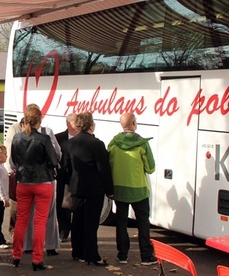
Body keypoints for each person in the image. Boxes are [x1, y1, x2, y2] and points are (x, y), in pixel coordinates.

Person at [10, 105, 58, 271]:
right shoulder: (44, 139)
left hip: (23, 182)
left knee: (21, 220)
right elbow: (53, 160)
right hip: (43, 182)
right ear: (40, 118)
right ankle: (37, 260)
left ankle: (16, 255)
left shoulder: (17, 138)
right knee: (40, 222)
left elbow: (14, 161)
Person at [63, 112, 113, 265]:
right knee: (91, 223)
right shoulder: (97, 144)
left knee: (77, 220)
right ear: (91, 125)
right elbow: (103, 169)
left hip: (77, 187)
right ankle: (92, 255)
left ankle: (77, 251)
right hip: (94, 189)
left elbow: (67, 167)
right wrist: (109, 189)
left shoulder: (70, 143)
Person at [107, 112, 157, 265]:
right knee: (143, 222)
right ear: (134, 123)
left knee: (121, 222)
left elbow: (108, 164)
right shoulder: (142, 144)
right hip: (138, 189)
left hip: (119, 188)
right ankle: (146, 256)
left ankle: (122, 255)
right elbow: (151, 168)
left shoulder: (114, 143)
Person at [55, 113, 79, 242]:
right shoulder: (59, 138)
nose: (79, 125)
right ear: (68, 123)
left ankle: (76, 232)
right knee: (62, 205)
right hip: (63, 177)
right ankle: (63, 231)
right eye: (76, 122)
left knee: (77, 207)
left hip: (78, 178)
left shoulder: (83, 138)